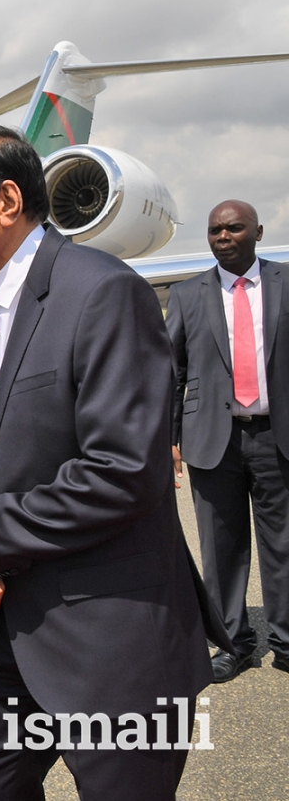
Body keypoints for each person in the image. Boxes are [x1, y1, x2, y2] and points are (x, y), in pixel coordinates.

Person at [0, 124, 211, 801]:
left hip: (109, 641)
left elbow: (121, 472)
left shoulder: (103, 292)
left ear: (8, 200)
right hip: (4, 631)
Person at [167, 199, 289, 681]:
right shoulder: (186, 294)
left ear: (258, 232)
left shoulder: (285, 283)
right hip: (212, 440)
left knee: (283, 544)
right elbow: (171, 371)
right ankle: (233, 642)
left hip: (278, 437)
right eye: (215, 230)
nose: (223, 237)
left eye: (234, 228)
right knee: (220, 549)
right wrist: (169, 438)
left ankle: (285, 641)